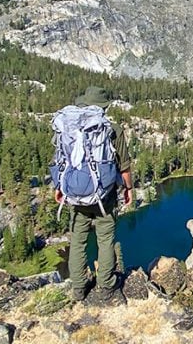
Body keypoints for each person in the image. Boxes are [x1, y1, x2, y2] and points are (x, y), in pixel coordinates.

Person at [55, 86, 133, 304]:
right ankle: (106, 286)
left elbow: (62, 161)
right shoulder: (113, 130)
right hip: (104, 198)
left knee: (78, 242)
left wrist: (59, 188)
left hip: (77, 197)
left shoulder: (70, 128)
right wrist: (128, 189)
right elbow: (124, 168)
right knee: (105, 240)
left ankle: (78, 288)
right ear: (104, 107)